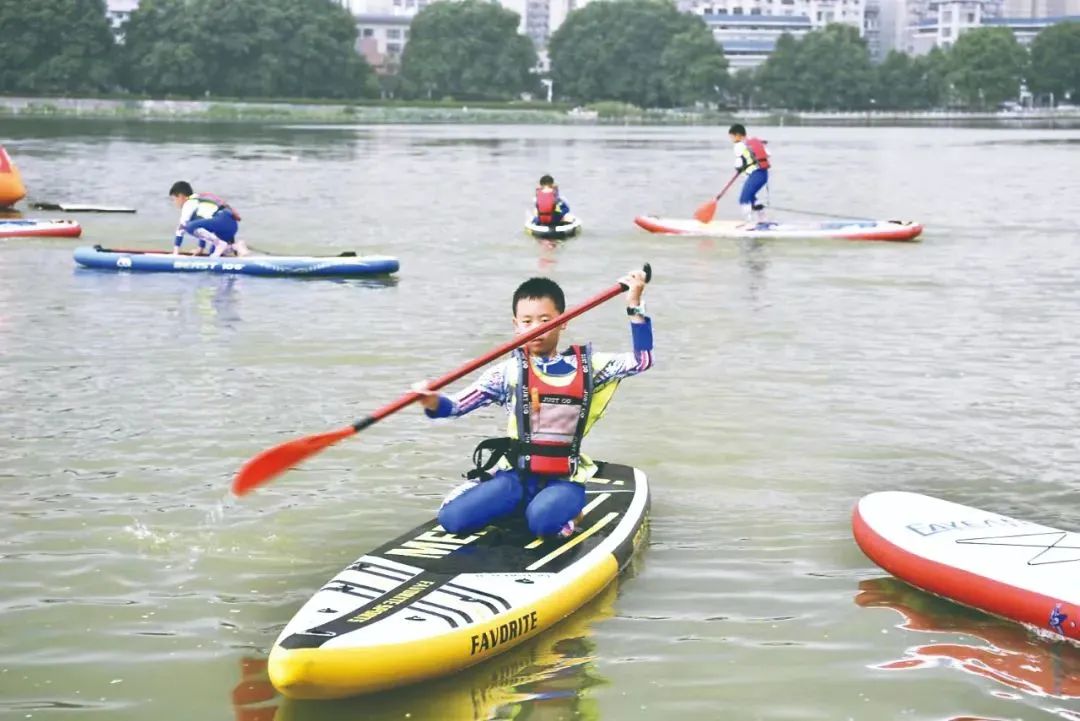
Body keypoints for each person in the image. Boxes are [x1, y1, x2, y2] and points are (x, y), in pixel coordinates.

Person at [415, 270, 652, 539]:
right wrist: (431, 401)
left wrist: (634, 302)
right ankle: (499, 497)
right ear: (516, 325)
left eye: (545, 320)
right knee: (452, 521)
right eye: (527, 321)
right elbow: (455, 407)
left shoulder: (589, 367)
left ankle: (571, 513)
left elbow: (641, 360)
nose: (536, 328)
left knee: (542, 525)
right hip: (515, 477)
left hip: (563, 480)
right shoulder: (508, 372)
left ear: (564, 322)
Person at [168, 181, 248, 257]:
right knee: (213, 253)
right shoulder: (199, 199)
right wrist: (201, 248)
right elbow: (202, 229)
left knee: (188, 227)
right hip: (231, 224)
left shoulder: (189, 203)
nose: (174, 203)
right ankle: (236, 247)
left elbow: (181, 228)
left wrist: (176, 252)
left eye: (174, 199)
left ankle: (219, 244)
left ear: (181, 196)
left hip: (222, 221)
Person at [728, 124, 770, 229]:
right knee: (751, 197)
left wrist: (739, 167)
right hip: (763, 174)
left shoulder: (739, 145)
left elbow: (738, 163)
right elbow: (768, 154)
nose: (732, 139)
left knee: (744, 199)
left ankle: (749, 223)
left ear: (738, 135)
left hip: (756, 175)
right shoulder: (753, 141)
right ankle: (762, 219)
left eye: (732, 137)